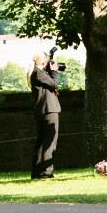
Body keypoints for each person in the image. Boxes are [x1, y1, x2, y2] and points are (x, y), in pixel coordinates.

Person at [29, 51, 60, 179]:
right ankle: (46, 171)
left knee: (42, 142)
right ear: (42, 62)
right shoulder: (39, 73)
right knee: (49, 142)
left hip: (43, 110)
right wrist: (54, 71)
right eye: (47, 61)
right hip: (49, 110)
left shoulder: (37, 73)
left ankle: (37, 171)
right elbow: (54, 84)